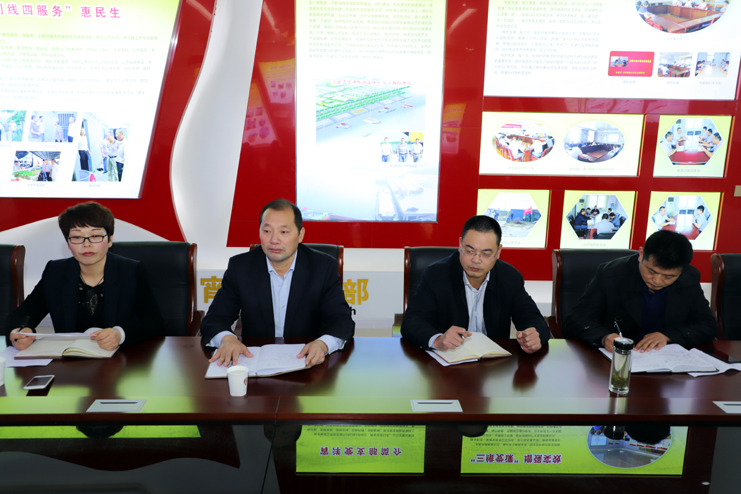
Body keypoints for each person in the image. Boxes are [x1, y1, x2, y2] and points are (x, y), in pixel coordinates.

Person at [201, 199, 355, 367]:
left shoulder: (323, 267)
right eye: (267, 231)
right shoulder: (240, 267)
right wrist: (227, 339)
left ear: (300, 235)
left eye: (283, 232)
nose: (274, 240)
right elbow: (215, 318)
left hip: (308, 363)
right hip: (254, 363)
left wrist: (322, 345)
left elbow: (341, 320)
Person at [3, 202, 165, 350]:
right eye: (77, 237)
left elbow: (155, 322)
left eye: (95, 236)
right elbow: (22, 316)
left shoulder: (131, 270)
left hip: (122, 360)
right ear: (68, 243)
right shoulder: (56, 272)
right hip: (71, 363)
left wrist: (120, 333)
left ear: (109, 240)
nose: (86, 244)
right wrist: (22, 330)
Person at [401, 215, 550, 354]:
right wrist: (438, 340)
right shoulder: (436, 275)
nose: (476, 260)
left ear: (498, 252)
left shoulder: (509, 278)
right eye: (469, 251)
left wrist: (534, 336)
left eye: (486, 254)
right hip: (447, 363)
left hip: (493, 365)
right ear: (460, 245)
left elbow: (534, 320)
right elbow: (412, 322)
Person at [563, 230, 716, 352]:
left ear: (682, 270)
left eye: (669, 276)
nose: (657, 281)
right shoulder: (611, 274)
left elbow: (707, 325)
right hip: (616, 358)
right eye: (651, 271)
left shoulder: (689, 278)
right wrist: (604, 337)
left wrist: (668, 335)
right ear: (641, 254)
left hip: (665, 359)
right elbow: (575, 319)